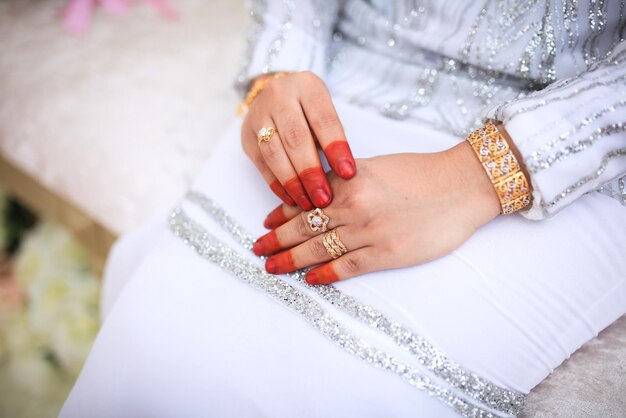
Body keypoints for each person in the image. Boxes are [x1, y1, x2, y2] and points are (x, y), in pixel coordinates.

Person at [61, 1, 626, 417]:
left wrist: (477, 175)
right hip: (338, 83)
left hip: (571, 154)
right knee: (160, 340)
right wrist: (276, 73)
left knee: (351, 393)